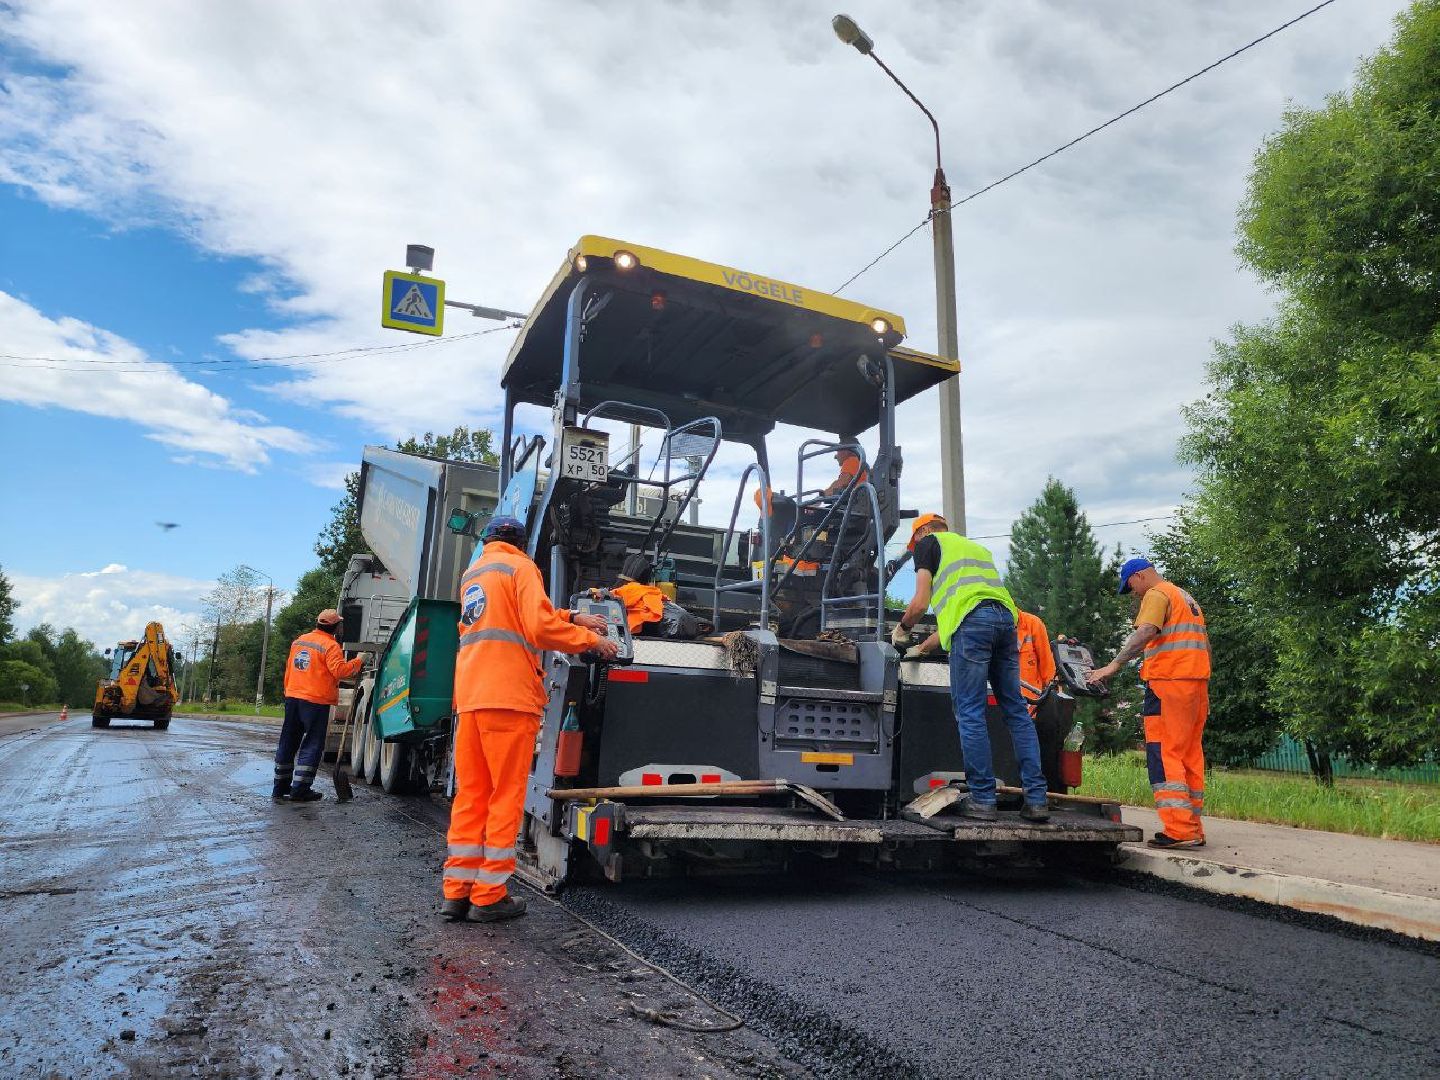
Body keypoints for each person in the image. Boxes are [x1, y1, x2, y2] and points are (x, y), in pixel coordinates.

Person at [443, 516, 619, 924]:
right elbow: (537, 627)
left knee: (472, 796)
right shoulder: (521, 566)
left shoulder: (475, 573)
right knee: (505, 796)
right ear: (521, 544)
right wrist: (591, 640)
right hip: (509, 698)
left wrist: (572, 617)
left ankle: (456, 892)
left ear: (489, 540)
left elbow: (516, 614)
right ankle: (489, 897)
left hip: (471, 697)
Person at [891, 514, 1050, 821]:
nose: (916, 548)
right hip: (1005, 623)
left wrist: (903, 629)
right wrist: (921, 649)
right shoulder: (975, 550)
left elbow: (920, 604)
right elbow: (971, 614)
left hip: (974, 626)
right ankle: (1036, 800)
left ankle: (983, 800)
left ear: (923, 532)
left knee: (970, 712)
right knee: (1016, 712)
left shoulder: (928, 543)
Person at [1087, 557, 1210, 849]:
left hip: (1168, 683)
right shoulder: (1185, 597)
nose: (1133, 593)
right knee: (1189, 754)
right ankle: (1192, 827)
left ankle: (1179, 830)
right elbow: (1205, 645)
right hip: (1196, 684)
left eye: (1130, 586)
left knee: (1164, 752)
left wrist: (1113, 665)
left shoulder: (1156, 594)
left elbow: (1145, 632)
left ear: (1140, 576)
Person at [273, 609, 364, 803]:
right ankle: (300, 790)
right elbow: (340, 671)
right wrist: (359, 661)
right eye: (340, 624)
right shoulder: (330, 645)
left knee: (288, 741)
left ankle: (280, 787)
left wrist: (289, 691)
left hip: (293, 697)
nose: (341, 626)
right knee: (312, 744)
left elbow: (289, 669)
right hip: (315, 701)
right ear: (335, 627)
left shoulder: (299, 641)